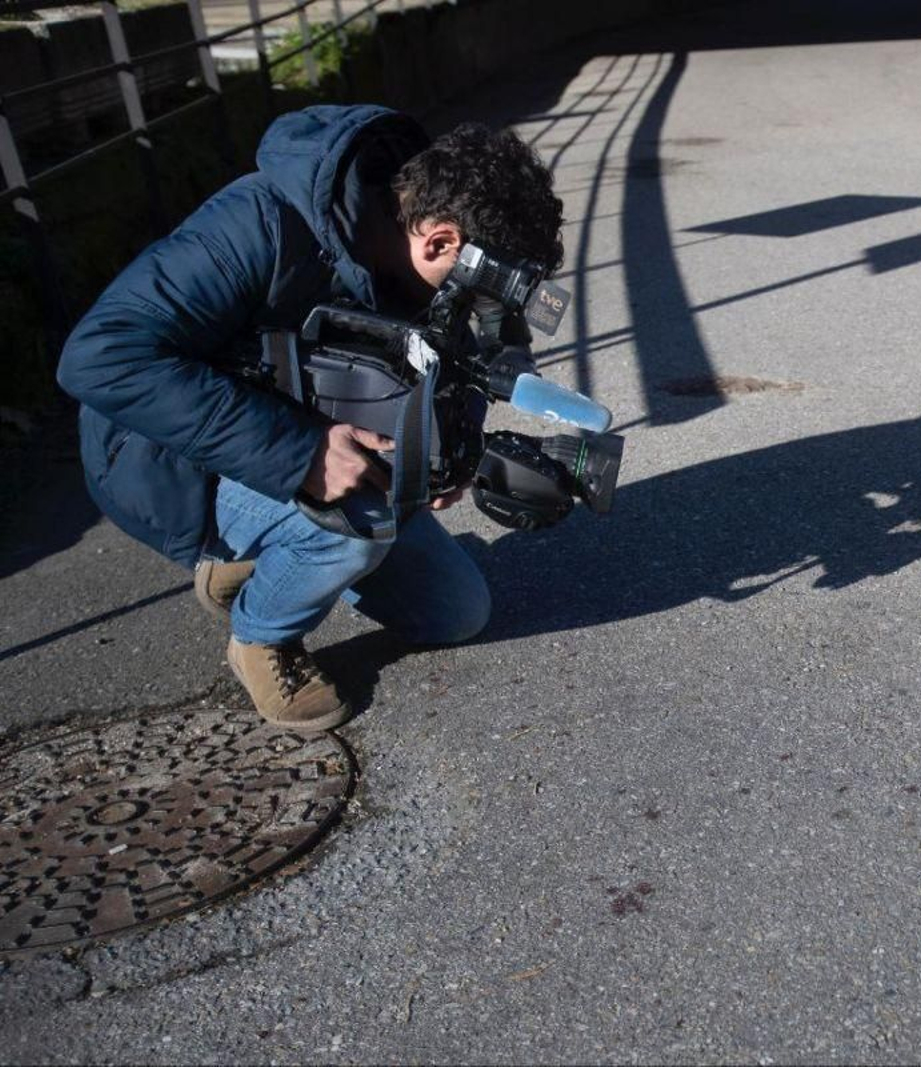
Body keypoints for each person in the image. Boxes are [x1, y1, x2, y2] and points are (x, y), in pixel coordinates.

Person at [56, 105, 564, 733]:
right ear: (441, 241)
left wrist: (447, 448)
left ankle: (251, 563)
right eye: (486, 297)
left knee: (455, 613)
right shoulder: (260, 225)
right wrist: (302, 455)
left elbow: (468, 357)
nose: (483, 312)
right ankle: (261, 638)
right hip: (174, 463)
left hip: (320, 438)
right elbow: (99, 359)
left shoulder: (439, 264)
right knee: (356, 524)